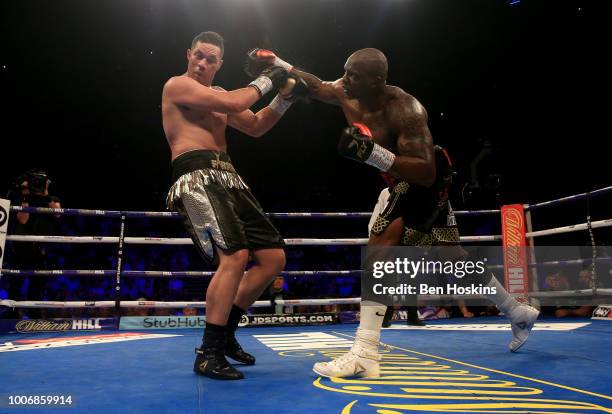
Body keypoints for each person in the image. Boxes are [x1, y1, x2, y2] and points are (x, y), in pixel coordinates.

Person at [246, 47, 540, 378]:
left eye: (355, 75)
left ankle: (365, 353)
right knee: (452, 256)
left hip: (424, 178)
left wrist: (372, 154)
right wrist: (280, 64)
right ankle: (517, 311)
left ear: (378, 81)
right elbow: (315, 86)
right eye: (345, 72)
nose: (346, 80)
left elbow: (425, 173)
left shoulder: (406, 109)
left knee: (379, 247)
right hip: (400, 178)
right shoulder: (346, 90)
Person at [162, 32, 307, 380]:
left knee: (273, 257)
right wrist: (269, 78)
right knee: (235, 257)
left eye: (211, 59)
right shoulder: (177, 86)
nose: (202, 63)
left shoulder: (222, 95)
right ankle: (207, 353)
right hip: (196, 173)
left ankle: (225, 335)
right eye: (198, 56)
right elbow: (235, 105)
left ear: (220, 64)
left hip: (229, 177)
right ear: (188, 54)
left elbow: (256, 126)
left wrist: (285, 98)